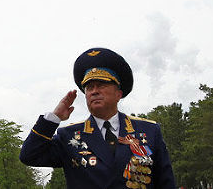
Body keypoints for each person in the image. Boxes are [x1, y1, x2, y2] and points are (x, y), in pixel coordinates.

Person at [20, 48, 176, 188]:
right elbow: (29, 156)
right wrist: (54, 118)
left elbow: (165, 182)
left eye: (101, 85)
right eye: (89, 87)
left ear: (119, 94)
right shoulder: (68, 135)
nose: (94, 91)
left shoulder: (149, 131)